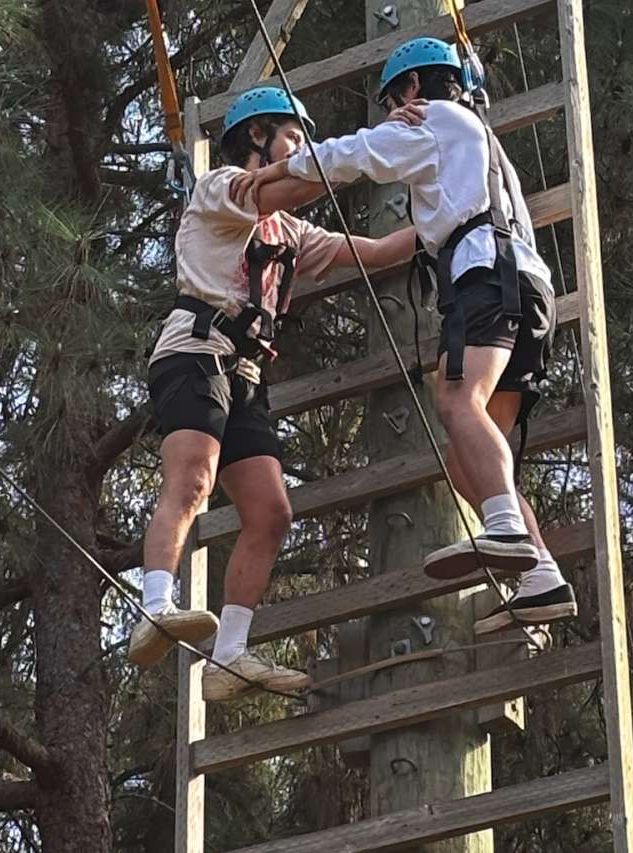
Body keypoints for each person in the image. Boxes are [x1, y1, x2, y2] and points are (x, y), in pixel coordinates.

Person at [231, 39, 577, 632]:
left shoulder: (436, 120)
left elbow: (358, 155)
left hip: (485, 279)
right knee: (469, 452)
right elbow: (421, 227)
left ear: (415, 88)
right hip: (524, 286)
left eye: (394, 98)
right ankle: (541, 574)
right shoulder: (479, 145)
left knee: (456, 401)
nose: (394, 110)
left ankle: (507, 528)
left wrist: (282, 173)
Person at [130, 86, 419, 700]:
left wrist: (454, 218)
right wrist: (371, 145)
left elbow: (372, 252)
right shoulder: (222, 188)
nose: (303, 148)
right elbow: (286, 186)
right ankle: (155, 604)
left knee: (270, 512)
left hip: (246, 375)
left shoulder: (291, 232)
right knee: (193, 480)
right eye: (293, 136)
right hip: (194, 351)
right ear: (257, 136)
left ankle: (228, 658)